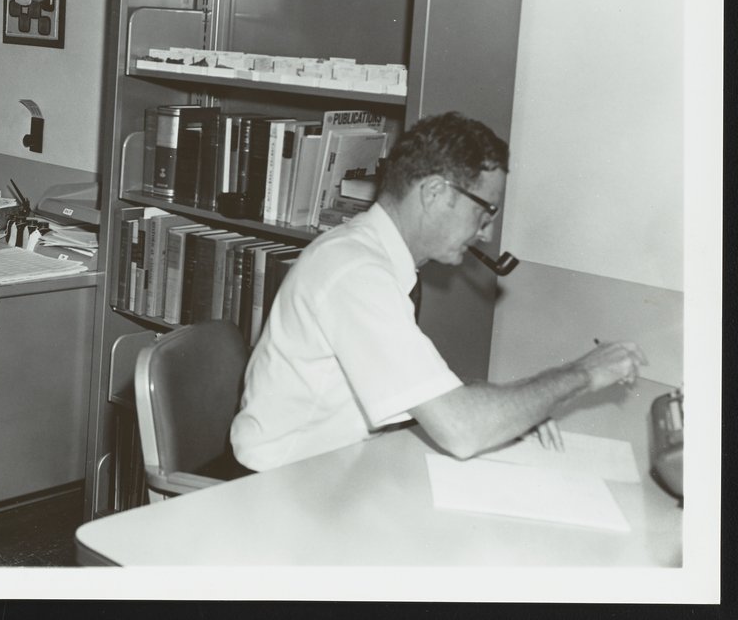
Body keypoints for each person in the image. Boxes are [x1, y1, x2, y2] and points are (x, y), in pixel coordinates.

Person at [230, 111, 646, 471]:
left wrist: (516, 409)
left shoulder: (374, 257)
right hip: (274, 487)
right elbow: (461, 431)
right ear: (433, 193)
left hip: (333, 468)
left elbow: (422, 388)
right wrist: (584, 373)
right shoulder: (356, 273)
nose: (486, 233)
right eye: (484, 211)